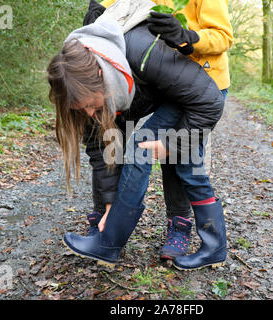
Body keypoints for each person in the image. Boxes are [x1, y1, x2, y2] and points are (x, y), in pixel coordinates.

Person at [48, 2, 228, 270]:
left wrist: (173, 146)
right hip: (169, 78)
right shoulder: (78, 79)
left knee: (181, 163)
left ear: (100, 76)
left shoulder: (140, 55)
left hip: (202, 85)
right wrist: (110, 203)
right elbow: (100, 145)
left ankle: (203, 241)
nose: (88, 112)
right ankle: (108, 231)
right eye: (82, 109)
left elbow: (210, 98)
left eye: (90, 105)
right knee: (126, 147)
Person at [97, 0, 234, 261]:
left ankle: (194, 236)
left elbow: (223, 36)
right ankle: (195, 237)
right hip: (172, 83)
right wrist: (99, 7)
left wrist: (187, 37)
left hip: (206, 85)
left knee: (183, 160)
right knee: (174, 155)